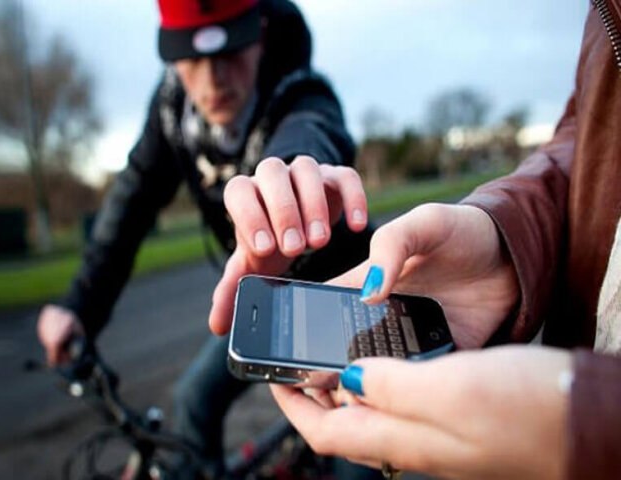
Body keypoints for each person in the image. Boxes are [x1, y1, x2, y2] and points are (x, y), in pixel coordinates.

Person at [214, 2, 621, 479]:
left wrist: (594, 425)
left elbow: (309, 119)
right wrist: (502, 235)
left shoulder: (297, 88)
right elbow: (591, 138)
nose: (211, 78)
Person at [36, 0, 377, 477]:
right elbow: (131, 201)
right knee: (193, 398)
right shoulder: (172, 110)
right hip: (269, 298)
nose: (212, 81)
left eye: (230, 52)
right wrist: (78, 307)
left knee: (354, 443)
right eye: (192, 60)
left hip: (343, 297)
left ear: (259, 33)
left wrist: (295, 173)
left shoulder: (301, 90)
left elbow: (311, 130)